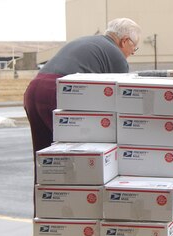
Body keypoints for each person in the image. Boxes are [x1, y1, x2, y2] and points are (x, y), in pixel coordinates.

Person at [23, 17, 142, 157]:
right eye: (134, 47)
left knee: (44, 155)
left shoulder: (88, 41)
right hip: (58, 92)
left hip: (34, 89)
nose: (132, 53)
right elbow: (121, 102)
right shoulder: (116, 55)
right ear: (125, 41)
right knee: (71, 155)